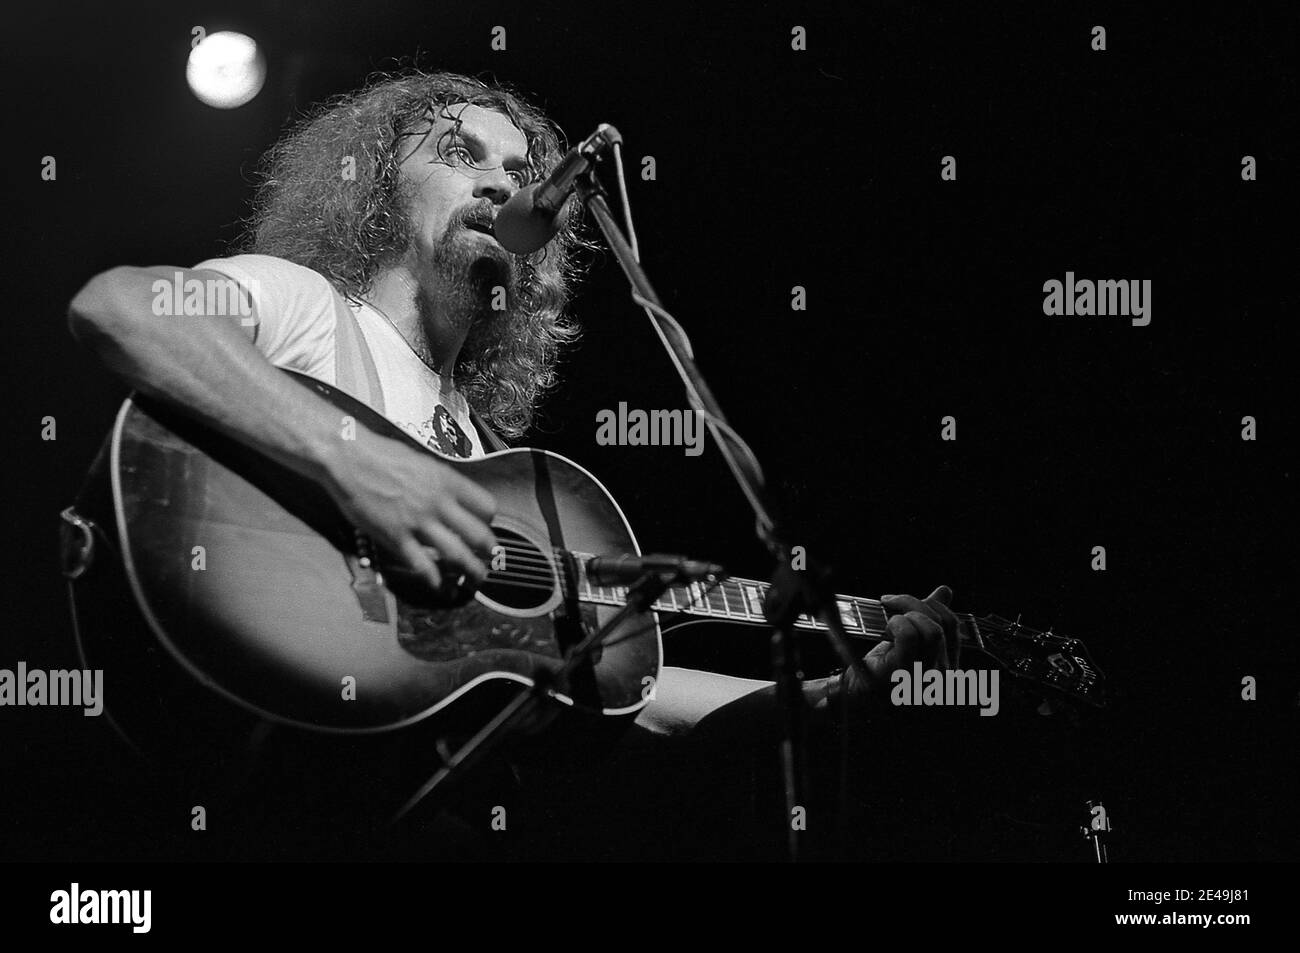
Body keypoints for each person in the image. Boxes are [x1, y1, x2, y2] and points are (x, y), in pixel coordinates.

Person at [67, 70, 960, 859]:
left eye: (522, 171)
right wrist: (356, 464)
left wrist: (828, 692)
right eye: (461, 153)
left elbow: (632, 689)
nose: (501, 179)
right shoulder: (309, 309)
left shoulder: (499, 469)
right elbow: (122, 307)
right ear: (379, 193)